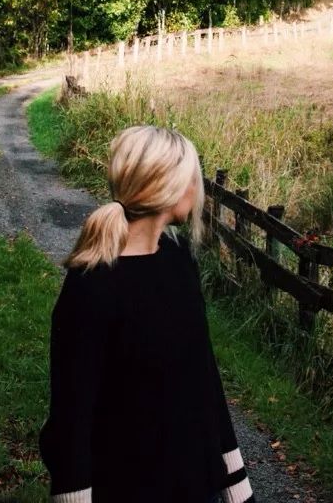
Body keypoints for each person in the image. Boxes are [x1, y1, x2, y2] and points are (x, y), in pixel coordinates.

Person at [39, 124, 255, 503]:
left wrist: (239, 490)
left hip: (195, 487)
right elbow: (71, 422)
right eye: (192, 176)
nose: (197, 186)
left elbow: (204, 381)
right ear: (168, 188)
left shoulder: (179, 263)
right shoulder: (91, 286)